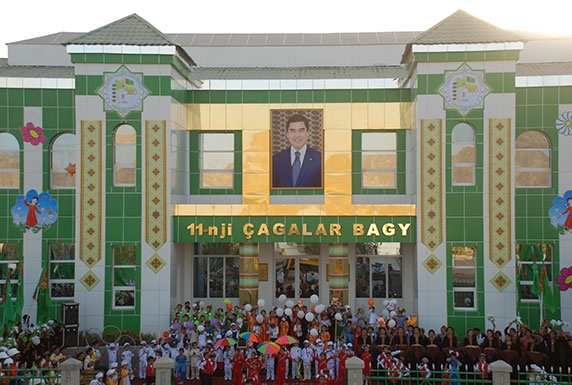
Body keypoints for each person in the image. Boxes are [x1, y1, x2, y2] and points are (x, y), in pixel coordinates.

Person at [272, 114, 322, 188]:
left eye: (301, 130)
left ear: (308, 133)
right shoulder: (276, 160)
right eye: (293, 131)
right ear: (287, 134)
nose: (297, 135)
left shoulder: (320, 159)